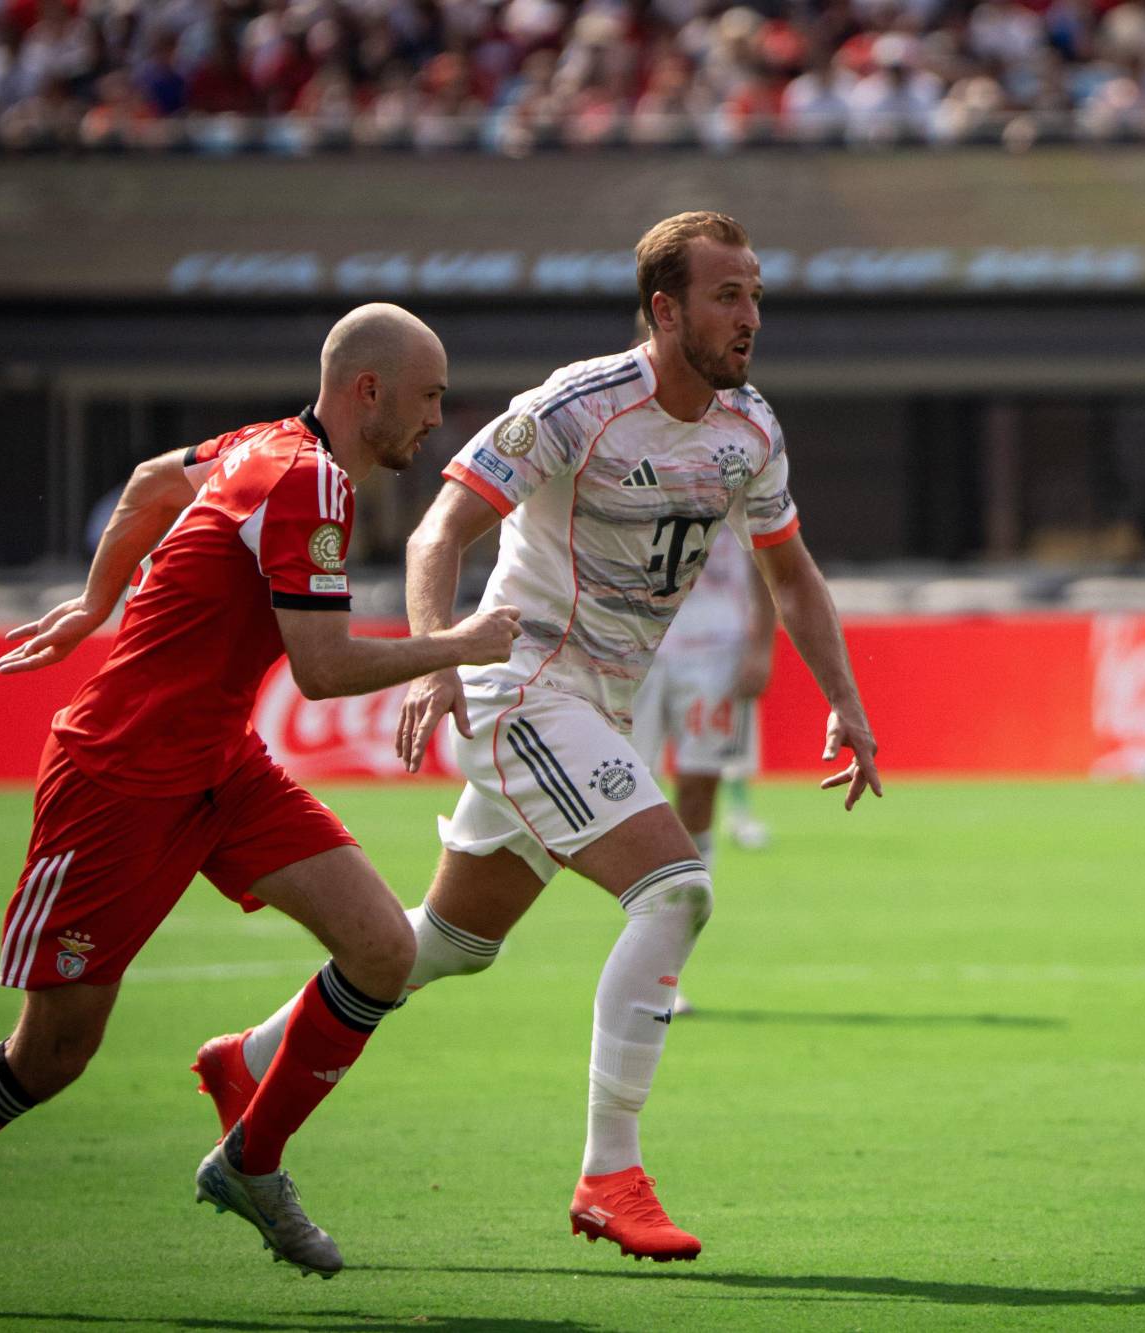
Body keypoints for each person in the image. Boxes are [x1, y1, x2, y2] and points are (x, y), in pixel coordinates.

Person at [190, 211, 882, 1264]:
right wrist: (432, 652)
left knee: (447, 945)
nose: (747, 317)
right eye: (725, 296)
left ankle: (252, 1057)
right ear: (665, 309)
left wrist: (844, 696)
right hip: (523, 686)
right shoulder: (575, 405)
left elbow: (790, 572)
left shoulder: (751, 428)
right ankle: (610, 1173)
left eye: (753, 297)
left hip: (596, 703)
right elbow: (440, 528)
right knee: (676, 888)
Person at [0, 304, 523, 1311]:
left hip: (218, 767)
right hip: (118, 779)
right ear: (368, 391)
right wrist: (458, 642)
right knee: (51, 1052)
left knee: (381, 947)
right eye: (430, 396)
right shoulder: (306, 479)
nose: (437, 418)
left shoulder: (259, 446)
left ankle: (248, 1160)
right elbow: (318, 670)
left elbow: (151, 481)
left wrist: (97, 602)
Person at [629, 522, 777, 1015]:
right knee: (620, 795)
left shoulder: (743, 454)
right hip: (634, 644)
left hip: (717, 649)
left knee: (697, 797)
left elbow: (771, 553)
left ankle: (663, 969)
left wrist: (761, 643)